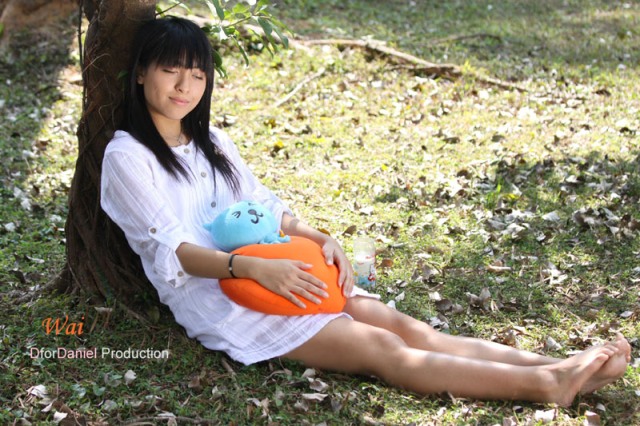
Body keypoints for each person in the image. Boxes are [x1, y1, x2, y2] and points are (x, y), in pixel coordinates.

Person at [100, 16, 631, 406]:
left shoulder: (212, 141)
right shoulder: (128, 156)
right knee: (381, 347)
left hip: (280, 266)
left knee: (405, 327)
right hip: (223, 296)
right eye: (171, 71)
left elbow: (261, 208)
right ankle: (547, 385)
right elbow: (175, 251)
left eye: (197, 75)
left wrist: (319, 237)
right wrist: (251, 267)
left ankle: (559, 365)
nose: (185, 87)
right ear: (142, 74)